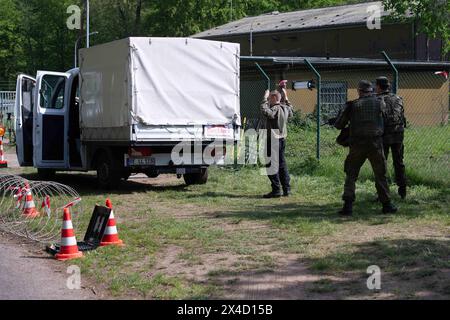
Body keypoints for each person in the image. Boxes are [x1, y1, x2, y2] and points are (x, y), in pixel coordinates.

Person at [334, 80, 397, 216]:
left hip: (357, 144)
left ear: (359, 91)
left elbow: (339, 124)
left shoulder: (353, 105)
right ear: (371, 90)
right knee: (381, 174)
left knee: (351, 174)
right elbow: (386, 120)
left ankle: (348, 206)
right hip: (375, 143)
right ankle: (387, 205)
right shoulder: (381, 103)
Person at [376, 76, 407, 199]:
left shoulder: (377, 99)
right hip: (398, 134)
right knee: (399, 162)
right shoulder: (398, 98)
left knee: (381, 164)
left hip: (383, 135)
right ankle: (403, 190)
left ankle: (382, 194)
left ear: (378, 86)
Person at [261, 89, 293, 198]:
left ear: (274, 98)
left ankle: (276, 189)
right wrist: (286, 97)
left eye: (270, 98)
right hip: (282, 139)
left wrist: (264, 99)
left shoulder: (275, 108)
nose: (269, 100)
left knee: (270, 164)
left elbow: (267, 112)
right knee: (282, 164)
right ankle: (287, 189)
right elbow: (291, 110)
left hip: (273, 139)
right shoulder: (286, 108)